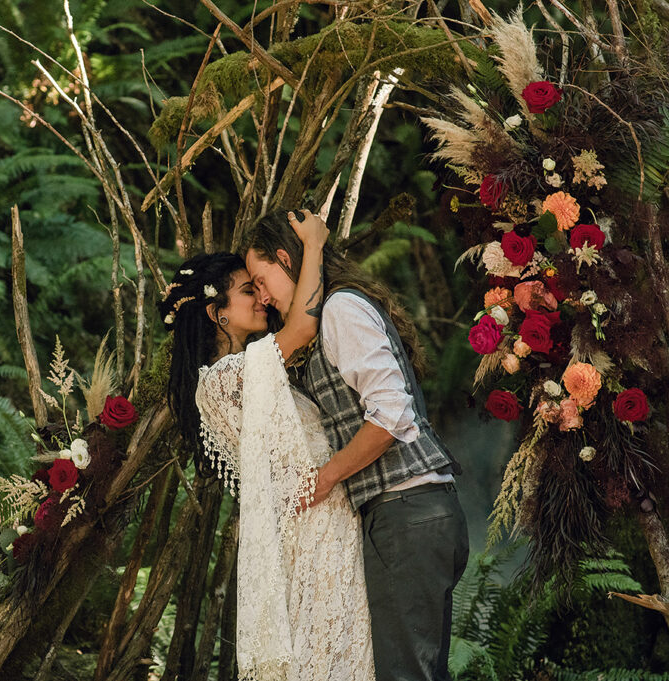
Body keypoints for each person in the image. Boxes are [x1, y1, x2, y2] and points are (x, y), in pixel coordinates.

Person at [242, 210, 469, 681]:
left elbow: (390, 415)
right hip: (413, 514)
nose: (262, 297)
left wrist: (325, 477)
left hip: (406, 513)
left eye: (262, 280)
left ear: (286, 258)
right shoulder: (333, 315)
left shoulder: (341, 310)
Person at [158, 210, 374, 681]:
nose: (260, 297)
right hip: (313, 529)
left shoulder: (257, 370)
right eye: (246, 290)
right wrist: (313, 246)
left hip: (327, 519)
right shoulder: (221, 382)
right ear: (218, 314)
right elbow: (302, 328)